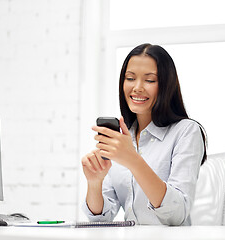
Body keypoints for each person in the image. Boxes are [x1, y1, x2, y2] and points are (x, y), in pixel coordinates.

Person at [81, 43, 207, 226]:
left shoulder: (186, 131)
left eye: (150, 80)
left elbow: (176, 215)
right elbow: (101, 217)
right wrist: (94, 183)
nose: (137, 87)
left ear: (166, 85)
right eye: (130, 78)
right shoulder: (123, 138)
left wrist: (133, 159)